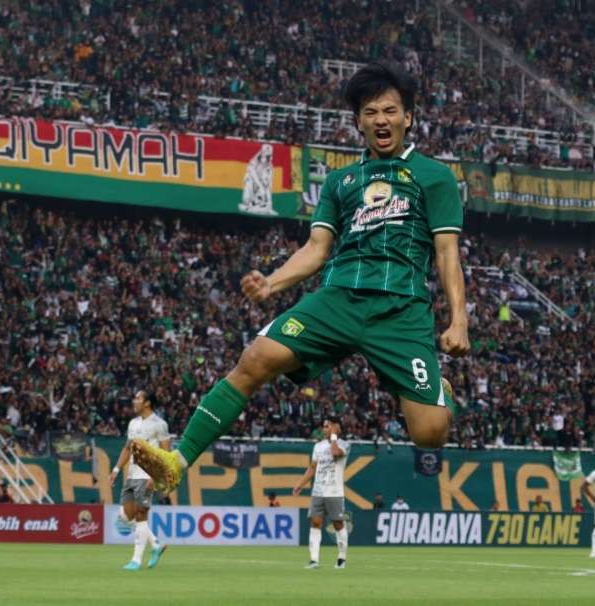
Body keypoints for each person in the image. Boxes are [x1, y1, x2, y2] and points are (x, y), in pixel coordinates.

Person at [130, 61, 469, 492]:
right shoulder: (340, 181)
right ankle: (177, 461)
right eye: (370, 112)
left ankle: (439, 389)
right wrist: (273, 282)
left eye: (389, 110)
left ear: (408, 117)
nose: (381, 120)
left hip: (401, 312)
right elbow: (316, 249)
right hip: (338, 300)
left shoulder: (434, 177)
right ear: (358, 122)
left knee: (430, 433)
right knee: (255, 359)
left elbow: (446, 252)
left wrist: (458, 321)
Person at [109, 391, 171, 571]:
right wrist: (116, 469)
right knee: (127, 515)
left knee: (141, 515)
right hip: (131, 475)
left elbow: (166, 453)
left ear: (147, 403)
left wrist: (157, 476)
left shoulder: (160, 424)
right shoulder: (133, 423)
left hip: (147, 475)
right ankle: (156, 545)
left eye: (138, 398)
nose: (134, 401)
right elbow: (127, 448)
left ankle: (136, 560)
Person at [292, 417, 350, 569]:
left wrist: (334, 437)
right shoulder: (317, 446)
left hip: (335, 492)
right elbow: (312, 468)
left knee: (338, 524)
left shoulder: (344, 444)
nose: (324, 429)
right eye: (324, 427)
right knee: (315, 522)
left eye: (328, 426)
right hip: (318, 491)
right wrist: (300, 484)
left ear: (336, 427)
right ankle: (314, 560)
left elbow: (336, 453)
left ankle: (342, 558)